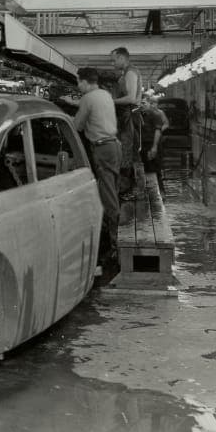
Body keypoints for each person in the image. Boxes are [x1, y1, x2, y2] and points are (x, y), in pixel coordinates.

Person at [72, 67, 121, 281]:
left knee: (108, 194)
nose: (77, 85)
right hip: (114, 146)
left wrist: (66, 116)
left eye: (78, 82)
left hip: (101, 148)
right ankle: (114, 236)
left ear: (83, 82)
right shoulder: (104, 94)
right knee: (113, 189)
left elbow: (77, 125)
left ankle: (115, 244)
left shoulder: (87, 98)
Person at [111, 46, 144, 200]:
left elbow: (131, 98)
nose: (113, 63)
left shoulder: (131, 72)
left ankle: (132, 189)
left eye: (114, 59)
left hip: (130, 115)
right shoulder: (127, 72)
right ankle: (130, 188)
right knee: (128, 153)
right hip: (129, 115)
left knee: (128, 153)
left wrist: (111, 101)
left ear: (122, 58)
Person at [138, 93, 170, 214]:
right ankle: (149, 196)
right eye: (140, 103)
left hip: (152, 145)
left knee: (156, 170)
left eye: (144, 103)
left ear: (149, 103)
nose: (141, 105)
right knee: (145, 171)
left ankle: (161, 195)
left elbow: (158, 131)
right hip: (143, 147)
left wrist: (154, 147)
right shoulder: (139, 115)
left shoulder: (156, 114)